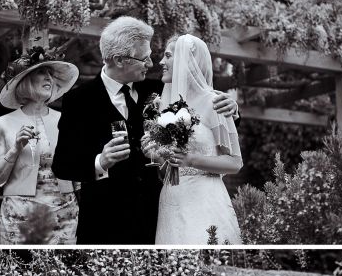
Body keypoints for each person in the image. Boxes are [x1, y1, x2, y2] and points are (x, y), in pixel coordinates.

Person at [51, 16, 238, 244]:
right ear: (120, 60)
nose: (151, 64)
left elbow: (205, 116)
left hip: (156, 221)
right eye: (144, 58)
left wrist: (233, 109)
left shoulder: (160, 90)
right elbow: (62, 165)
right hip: (103, 225)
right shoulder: (79, 100)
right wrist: (101, 161)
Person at [0, 49, 80, 243]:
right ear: (24, 82)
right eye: (41, 73)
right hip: (19, 218)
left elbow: (79, 174)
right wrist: (15, 149)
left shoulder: (68, 121)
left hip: (64, 216)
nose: (49, 78)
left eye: (51, 74)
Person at [151, 34, 243, 244]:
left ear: (187, 60)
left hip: (204, 198)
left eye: (167, 56)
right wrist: (157, 156)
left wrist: (191, 160)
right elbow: (167, 168)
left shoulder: (215, 102)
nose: (161, 62)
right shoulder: (166, 107)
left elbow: (235, 163)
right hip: (171, 198)